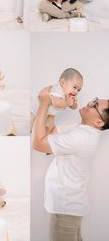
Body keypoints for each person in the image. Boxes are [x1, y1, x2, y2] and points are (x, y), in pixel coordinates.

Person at [32, 87, 109, 241]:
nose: (89, 102)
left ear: (99, 121)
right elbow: (50, 133)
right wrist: (55, 107)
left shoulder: (81, 137)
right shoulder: (81, 130)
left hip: (65, 209)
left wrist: (43, 104)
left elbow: (38, 144)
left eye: (94, 105)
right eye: (94, 99)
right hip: (70, 206)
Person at [30, 68, 83, 132]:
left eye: (78, 90)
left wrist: (73, 103)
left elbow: (73, 107)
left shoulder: (69, 95)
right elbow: (56, 102)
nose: (76, 91)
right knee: (30, 124)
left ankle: (45, 134)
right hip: (36, 110)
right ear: (62, 83)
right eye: (74, 87)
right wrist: (68, 103)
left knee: (50, 129)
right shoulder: (57, 89)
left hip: (49, 114)